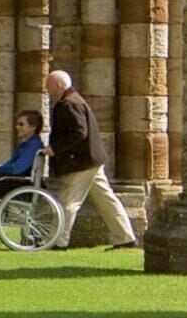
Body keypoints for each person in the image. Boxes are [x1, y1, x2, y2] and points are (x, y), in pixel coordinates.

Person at [42, 68, 141, 250]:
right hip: (91, 160)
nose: (47, 90)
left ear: (58, 85)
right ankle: (125, 237)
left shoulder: (70, 104)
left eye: (48, 86)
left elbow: (79, 132)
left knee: (68, 201)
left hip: (81, 162)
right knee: (106, 199)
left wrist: (54, 149)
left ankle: (57, 241)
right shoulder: (73, 100)